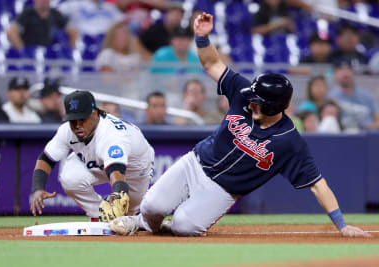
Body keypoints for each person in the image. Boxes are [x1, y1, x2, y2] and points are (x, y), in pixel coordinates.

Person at [109, 12, 370, 238]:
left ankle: (170, 227)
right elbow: (212, 63)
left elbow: (317, 184)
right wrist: (201, 37)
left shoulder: (289, 140)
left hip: (223, 190)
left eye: (258, 101)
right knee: (153, 206)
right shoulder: (244, 91)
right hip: (196, 164)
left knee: (185, 226)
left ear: (273, 107)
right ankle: (142, 223)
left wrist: (341, 225)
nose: (250, 102)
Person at [30, 90, 154, 220]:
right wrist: (37, 188)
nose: (77, 125)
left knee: (127, 215)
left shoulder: (111, 136)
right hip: (93, 160)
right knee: (70, 178)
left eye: (82, 119)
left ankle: (137, 218)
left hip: (134, 168)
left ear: (94, 113)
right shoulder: (67, 130)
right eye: (73, 120)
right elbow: (46, 159)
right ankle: (98, 215)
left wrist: (118, 194)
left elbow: (116, 172)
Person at [329, 59, 379, 133]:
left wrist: (370, 128)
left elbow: (377, 117)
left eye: (348, 69)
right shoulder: (330, 97)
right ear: (335, 74)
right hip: (341, 136)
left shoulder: (366, 94)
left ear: (353, 72)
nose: (345, 73)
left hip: (368, 136)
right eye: (340, 70)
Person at [7, 0, 77, 51]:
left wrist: (69, 51)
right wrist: (22, 50)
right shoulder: (27, 13)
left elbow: (73, 32)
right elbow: (11, 32)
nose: (44, 1)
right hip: (31, 52)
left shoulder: (55, 14)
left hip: (48, 54)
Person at [58, 0, 124, 37]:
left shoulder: (109, 7)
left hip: (106, 42)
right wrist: (69, 27)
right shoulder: (76, 4)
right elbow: (54, 13)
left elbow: (122, 21)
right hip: (82, 40)